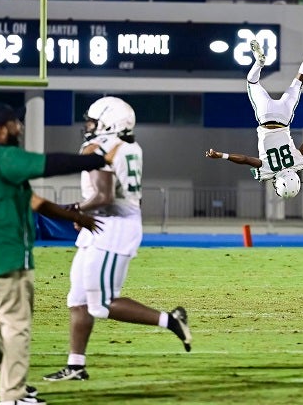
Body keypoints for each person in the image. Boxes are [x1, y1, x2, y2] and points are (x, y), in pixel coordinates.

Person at [43, 96, 192, 383]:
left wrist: (73, 210)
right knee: (78, 299)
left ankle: (171, 320)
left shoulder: (105, 147)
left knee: (101, 304)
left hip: (111, 228)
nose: (88, 126)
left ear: (110, 121)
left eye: (94, 121)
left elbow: (104, 196)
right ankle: (76, 366)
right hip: (104, 224)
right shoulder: (129, 146)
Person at [0, 102, 119, 405]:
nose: (19, 127)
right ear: (2, 129)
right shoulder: (5, 158)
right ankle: (12, 394)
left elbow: (35, 202)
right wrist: (98, 160)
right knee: (15, 326)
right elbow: (51, 163)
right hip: (7, 258)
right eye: (15, 123)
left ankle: (12, 382)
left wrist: (76, 217)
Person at [205, 31, 303, 199]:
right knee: (252, 81)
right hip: (265, 117)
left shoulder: (298, 162)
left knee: (300, 79)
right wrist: (221, 155)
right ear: (278, 183)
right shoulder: (267, 170)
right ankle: (259, 62)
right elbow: (244, 159)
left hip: (284, 116)